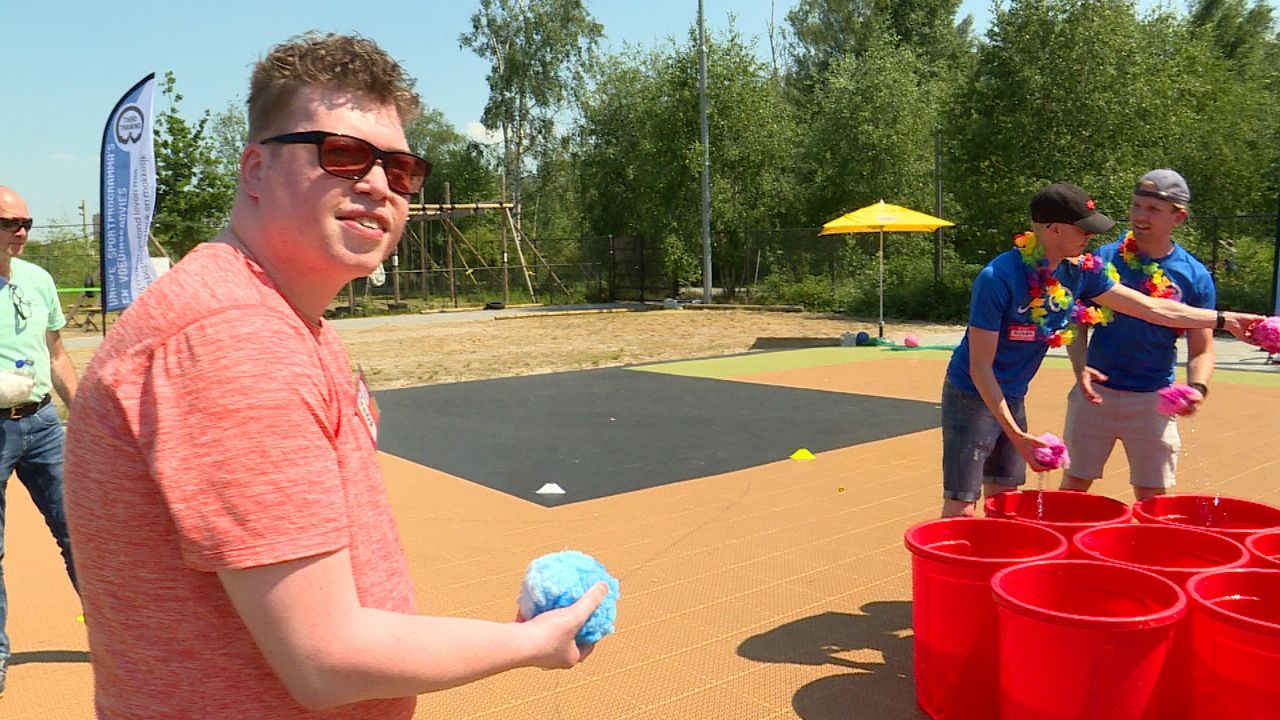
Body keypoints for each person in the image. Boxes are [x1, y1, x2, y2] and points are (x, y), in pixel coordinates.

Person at [64, 33, 606, 719]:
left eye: (400, 168)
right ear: (255, 170)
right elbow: (325, 659)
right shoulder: (236, 335)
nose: (378, 184)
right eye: (343, 155)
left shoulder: (283, 318)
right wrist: (530, 644)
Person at [940, 182, 1262, 518]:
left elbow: (1152, 308)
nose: (1090, 237)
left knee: (1004, 501)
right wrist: (1018, 434)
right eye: (1084, 229)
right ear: (1054, 230)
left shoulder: (1079, 271)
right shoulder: (998, 277)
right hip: (971, 395)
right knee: (963, 505)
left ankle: (998, 568)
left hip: (1013, 394)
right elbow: (980, 368)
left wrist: (1225, 320)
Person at [1060, 170, 1215, 500]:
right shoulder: (1101, 259)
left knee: (1153, 499)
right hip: (1094, 397)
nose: (1140, 217)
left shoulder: (1194, 275)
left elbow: (1202, 348)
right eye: (1136, 206)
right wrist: (1080, 369)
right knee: (1073, 490)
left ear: (1179, 217)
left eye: (1153, 210)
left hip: (1154, 402)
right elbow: (1076, 322)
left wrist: (1197, 388)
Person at [0, 187, 80, 697]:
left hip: (44, 422)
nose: (22, 231)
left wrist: (89, 417)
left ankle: (115, 632)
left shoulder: (39, 279)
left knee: (80, 530)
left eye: (26, 221)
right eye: (10, 223)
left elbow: (57, 355)